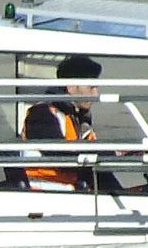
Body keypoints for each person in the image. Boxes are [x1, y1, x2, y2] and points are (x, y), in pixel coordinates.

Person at [21, 55, 103, 190]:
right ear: (71, 87)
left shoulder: (78, 118)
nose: (96, 94)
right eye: (91, 87)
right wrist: (108, 153)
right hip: (45, 195)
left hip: (70, 191)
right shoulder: (42, 113)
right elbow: (61, 156)